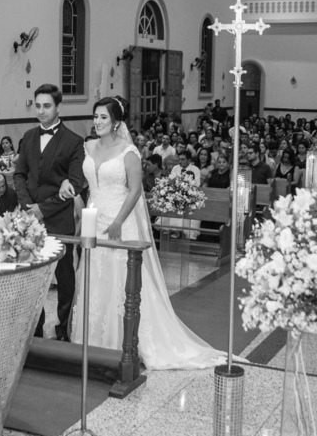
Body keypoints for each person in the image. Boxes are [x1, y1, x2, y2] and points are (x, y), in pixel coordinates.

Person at [71, 96, 222, 369]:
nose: (98, 122)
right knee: (96, 277)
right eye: (95, 116)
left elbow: (134, 191)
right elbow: (85, 182)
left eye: (104, 117)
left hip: (120, 220)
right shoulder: (88, 146)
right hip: (94, 218)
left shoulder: (128, 151)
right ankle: (94, 339)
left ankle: (125, 343)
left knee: (121, 279)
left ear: (116, 122)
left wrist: (118, 222)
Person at [14, 83, 86, 341]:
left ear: (58, 107)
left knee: (64, 277)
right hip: (29, 219)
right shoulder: (29, 136)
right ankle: (35, 328)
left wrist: (43, 209)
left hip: (58, 219)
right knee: (33, 276)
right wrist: (28, 207)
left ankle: (63, 328)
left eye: (47, 106)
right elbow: (20, 174)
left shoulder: (74, 142)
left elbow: (75, 183)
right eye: (38, 106)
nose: (41, 111)